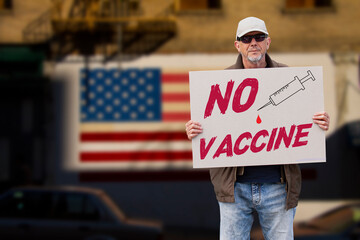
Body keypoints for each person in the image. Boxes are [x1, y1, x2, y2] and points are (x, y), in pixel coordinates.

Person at [185, 17, 330, 240]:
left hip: (278, 187)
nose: (253, 43)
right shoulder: (220, 83)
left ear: (268, 42)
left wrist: (319, 123)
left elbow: (305, 120)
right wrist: (195, 131)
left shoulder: (289, 77)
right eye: (246, 38)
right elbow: (209, 128)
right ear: (238, 45)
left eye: (259, 37)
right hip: (234, 188)